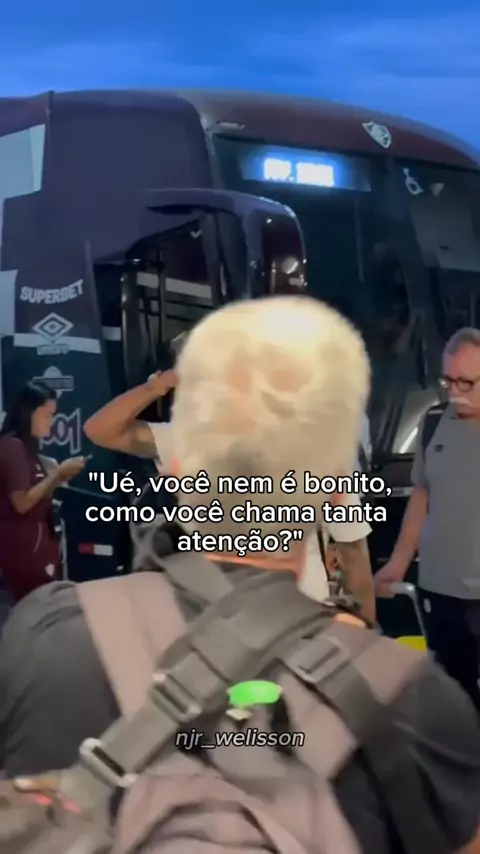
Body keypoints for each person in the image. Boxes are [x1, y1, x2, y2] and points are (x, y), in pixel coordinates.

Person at [2, 298, 480, 854]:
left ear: (179, 466)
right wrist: (366, 636)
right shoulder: (410, 699)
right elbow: (352, 552)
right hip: (324, 644)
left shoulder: (45, 632)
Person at [83, 367, 375, 621]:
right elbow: (102, 430)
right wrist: (158, 386)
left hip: (296, 618)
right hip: (211, 616)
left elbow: (353, 552)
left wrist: (367, 626)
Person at [375, 326, 480, 713]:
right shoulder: (434, 423)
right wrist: (398, 563)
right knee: (452, 699)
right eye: (448, 380)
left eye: (467, 382)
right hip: (439, 591)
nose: (455, 392)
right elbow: (422, 495)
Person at [0, 381, 85, 603]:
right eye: (47, 415)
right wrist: (56, 475)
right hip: (25, 552)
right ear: (28, 413)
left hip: (41, 545)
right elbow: (22, 502)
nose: (52, 422)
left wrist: (58, 479)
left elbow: (38, 493)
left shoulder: (31, 452)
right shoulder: (12, 447)